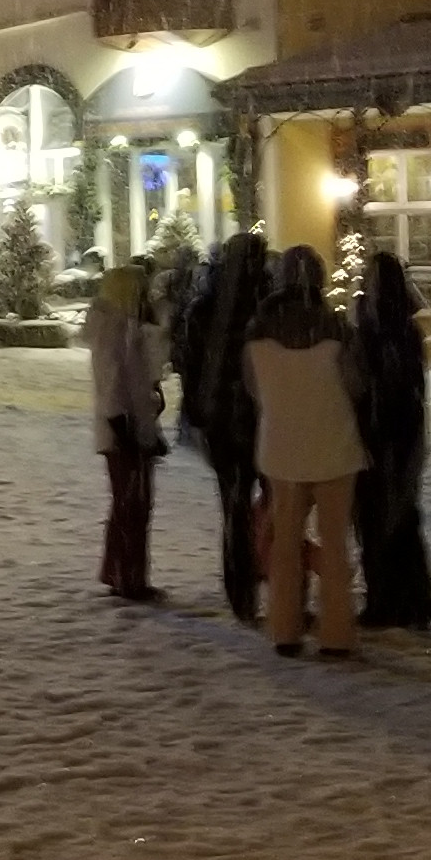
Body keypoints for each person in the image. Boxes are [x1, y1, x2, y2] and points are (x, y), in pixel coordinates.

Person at [241, 245, 367, 659]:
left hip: (281, 448)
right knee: (334, 542)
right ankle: (336, 633)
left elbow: (253, 390)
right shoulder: (336, 330)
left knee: (285, 543)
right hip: (334, 445)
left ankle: (285, 628)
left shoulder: (257, 334)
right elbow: (356, 385)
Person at [176, 226, 269, 624]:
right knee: (276, 505)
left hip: (223, 422)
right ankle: (279, 579)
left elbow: (187, 364)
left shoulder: (205, 309)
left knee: (235, 505)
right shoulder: (267, 307)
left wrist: (196, 410)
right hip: (264, 420)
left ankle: (242, 588)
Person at [350, 247, 431, 630]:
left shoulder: (373, 331)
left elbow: (364, 384)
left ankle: (385, 600)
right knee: (402, 514)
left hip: (380, 433)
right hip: (406, 430)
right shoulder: (406, 328)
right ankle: (414, 600)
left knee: (377, 517)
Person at [84, 258, 169, 601]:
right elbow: (113, 386)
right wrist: (125, 427)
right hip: (124, 431)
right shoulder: (114, 331)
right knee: (131, 505)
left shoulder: (126, 328)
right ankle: (128, 577)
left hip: (132, 427)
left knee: (131, 504)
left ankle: (123, 573)